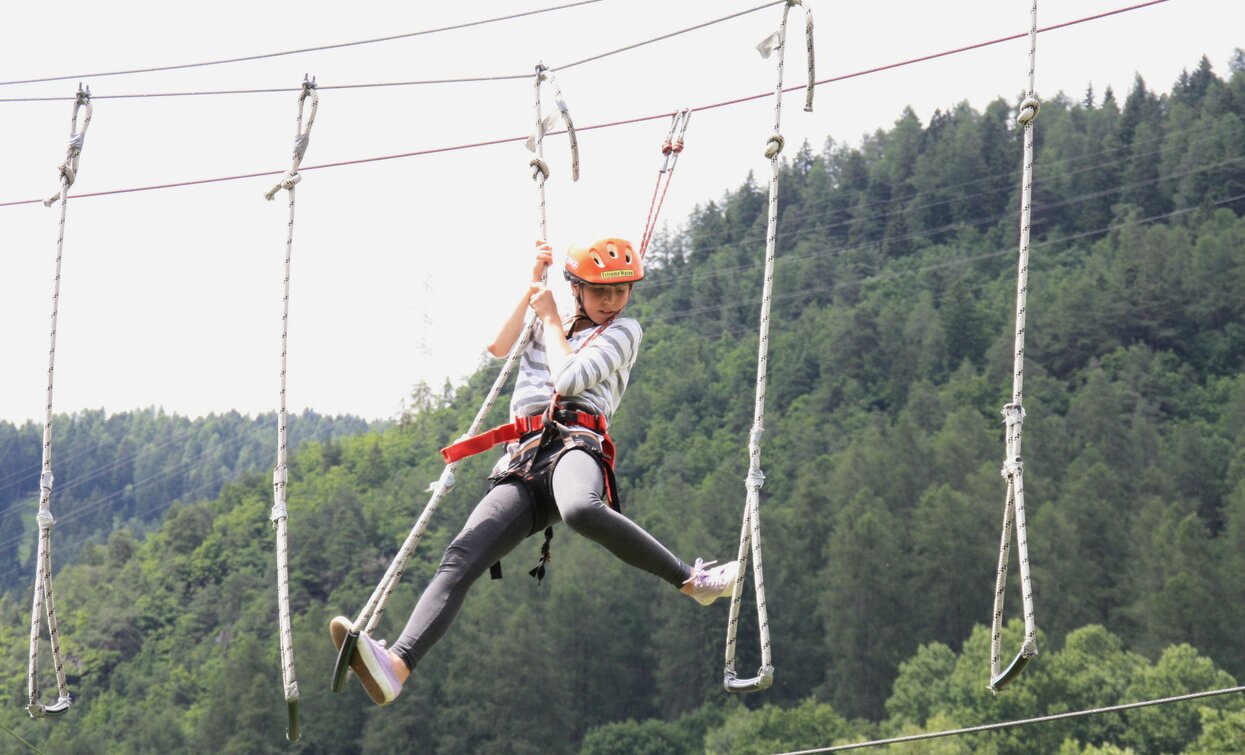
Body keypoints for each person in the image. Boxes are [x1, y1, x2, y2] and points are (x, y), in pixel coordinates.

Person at [331, 238, 738, 706]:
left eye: (621, 292)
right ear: (576, 288)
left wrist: (548, 319)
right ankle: (398, 665)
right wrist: (532, 293)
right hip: (523, 459)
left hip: (574, 443)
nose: (611, 303)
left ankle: (691, 581)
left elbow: (568, 381)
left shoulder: (625, 331)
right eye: (600, 292)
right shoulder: (550, 320)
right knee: (461, 556)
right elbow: (497, 346)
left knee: (582, 509)